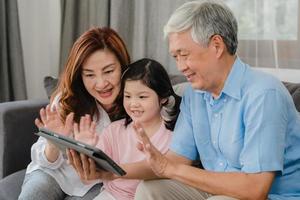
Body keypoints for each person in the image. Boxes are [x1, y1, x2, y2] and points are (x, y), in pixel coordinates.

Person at [133, 1, 300, 200]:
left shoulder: (264, 95)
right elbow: (176, 160)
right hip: (218, 191)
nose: (180, 67)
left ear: (217, 46)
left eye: (184, 55)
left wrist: (171, 169)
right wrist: (110, 170)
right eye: (175, 57)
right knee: (149, 190)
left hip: (272, 196)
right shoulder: (194, 94)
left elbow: (255, 189)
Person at [18, 27, 131, 200]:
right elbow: (43, 160)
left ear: (123, 67)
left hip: (96, 183)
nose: (101, 84)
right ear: (80, 76)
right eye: (89, 75)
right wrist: (53, 142)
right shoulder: (67, 99)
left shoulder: (137, 102)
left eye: (108, 71)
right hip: (53, 173)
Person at [67, 58, 181, 200]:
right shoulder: (113, 131)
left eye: (142, 97)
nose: (133, 104)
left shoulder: (175, 137)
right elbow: (90, 179)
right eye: (127, 96)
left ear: (163, 97)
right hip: (111, 196)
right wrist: (86, 150)